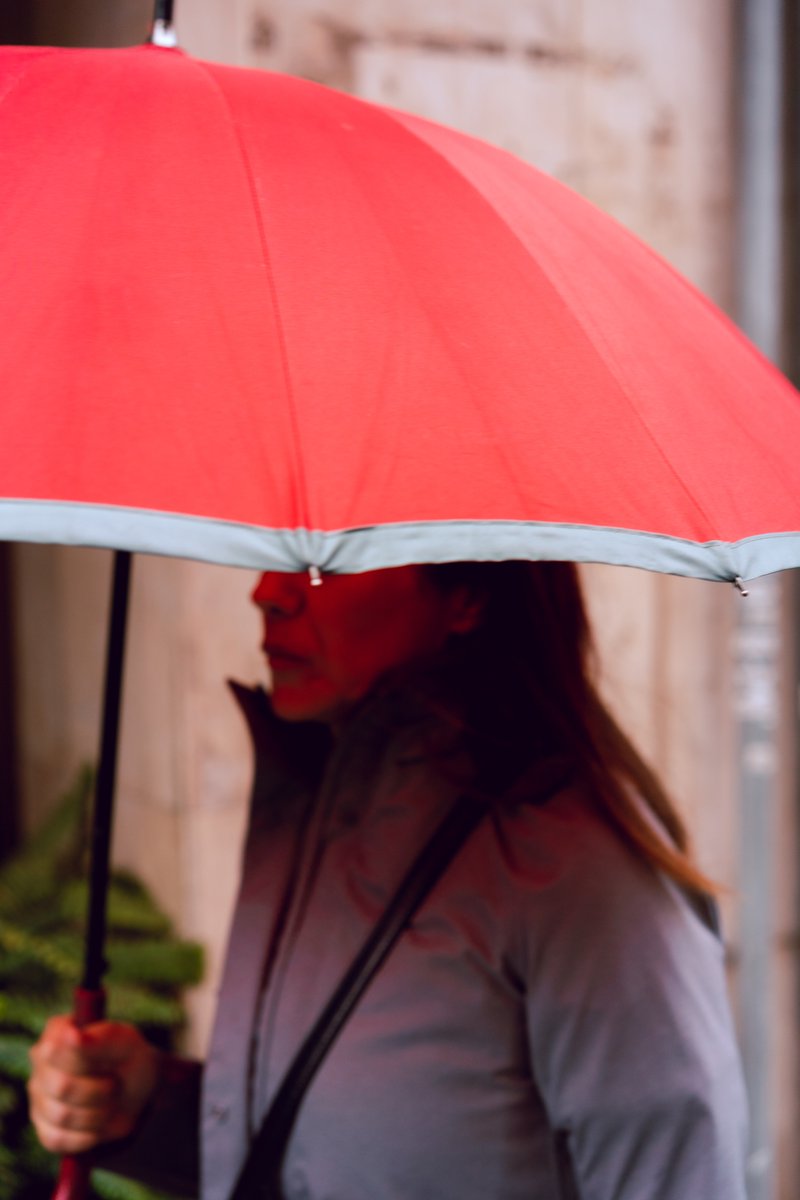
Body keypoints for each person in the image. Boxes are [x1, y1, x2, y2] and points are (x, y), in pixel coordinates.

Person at [28, 561, 748, 1199]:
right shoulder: (308, 814)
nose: (267, 592)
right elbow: (346, 1148)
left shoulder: (579, 873)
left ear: (467, 596)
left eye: (328, 557)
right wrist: (148, 1105)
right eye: (276, 550)